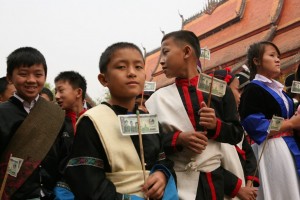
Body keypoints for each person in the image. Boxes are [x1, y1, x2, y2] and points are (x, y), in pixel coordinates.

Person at [65, 42, 177, 200]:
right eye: (121, 67)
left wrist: (162, 174)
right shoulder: (92, 121)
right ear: (104, 79)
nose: (132, 73)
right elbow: (87, 183)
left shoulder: (148, 120)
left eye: (138, 67)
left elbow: (164, 160)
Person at [145, 30, 244, 200]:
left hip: (215, 180)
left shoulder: (220, 90)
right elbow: (152, 146)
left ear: (186, 52)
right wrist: (179, 139)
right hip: (178, 182)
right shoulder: (157, 99)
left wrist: (215, 125)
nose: (161, 60)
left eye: (165, 52)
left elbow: (236, 133)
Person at [0, 47, 71, 199]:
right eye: (23, 74)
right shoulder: (2, 113)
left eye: (38, 74)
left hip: (50, 195)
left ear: (45, 76)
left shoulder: (56, 115)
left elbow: (66, 157)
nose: (31, 80)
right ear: (9, 78)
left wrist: (62, 187)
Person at [239, 41, 300, 199]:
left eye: (278, 56)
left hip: (289, 145)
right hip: (272, 149)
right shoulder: (253, 90)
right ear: (256, 61)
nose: (278, 59)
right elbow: (258, 125)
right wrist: (291, 123)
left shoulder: (280, 91)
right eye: (272, 55)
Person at [213, 68, 259, 200]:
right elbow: (210, 164)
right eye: (237, 90)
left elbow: (249, 154)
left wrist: (249, 183)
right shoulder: (211, 127)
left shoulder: (235, 127)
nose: (240, 95)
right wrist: (238, 189)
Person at [54, 70, 87, 136]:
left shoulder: (93, 120)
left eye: (61, 90)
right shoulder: (56, 123)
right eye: (56, 92)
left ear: (78, 92)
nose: (56, 96)